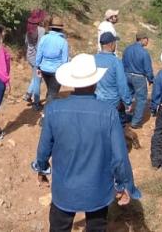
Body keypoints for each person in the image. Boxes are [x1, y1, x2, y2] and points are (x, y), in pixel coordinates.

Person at [31, 54, 141, 232]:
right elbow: (119, 157)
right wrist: (123, 185)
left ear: (73, 82)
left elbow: (44, 149)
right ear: (95, 82)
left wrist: (41, 170)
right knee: (97, 226)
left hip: (64, 190)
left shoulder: (53, 109)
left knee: (59, 227)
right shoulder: (109, 113)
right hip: (97, 188)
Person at [94, 32, 132, 126]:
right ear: (111, 44)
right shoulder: (116, 62)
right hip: (112, 102)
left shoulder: (93, 59)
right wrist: (127, 102)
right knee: (116, 125)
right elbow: (122, 85)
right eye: (115, 42)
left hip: (96, 100)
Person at [122, 32, 155, 129]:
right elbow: (148, 69)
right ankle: (135, 122)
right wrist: (151, 79)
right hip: (139, 77)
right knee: (141, 99)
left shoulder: (127, 49)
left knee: (127, 95)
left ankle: (124, 115)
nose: (148, 41)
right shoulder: (144, 53)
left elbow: (123, 62)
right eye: (147, 39)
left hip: (126, 75)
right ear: (143, 39)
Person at [35, 16, 69, 105]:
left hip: (44, 69)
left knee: (50, 90)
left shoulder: (44, 38)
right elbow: (65, 60)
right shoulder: (63, 41)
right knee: (53, 93)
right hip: (56, 71)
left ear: (51, 27)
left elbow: (39, 54)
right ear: (61, 29)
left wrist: (38, 66)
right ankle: (47, 113)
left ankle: (49, 106)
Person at [23, 9, 47, 111]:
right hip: (38, 59)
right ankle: (36, 103)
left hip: (30, 56)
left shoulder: (28, 30)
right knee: (38, 79)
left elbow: (26, 43)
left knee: (35, 76)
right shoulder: (41, 30)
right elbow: (41, 46)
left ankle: (28, 95)